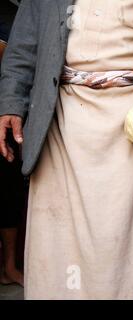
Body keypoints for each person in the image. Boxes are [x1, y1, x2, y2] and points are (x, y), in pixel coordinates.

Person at [0, 0, 133, 299]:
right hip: (62, 116)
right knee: (59, 238)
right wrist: (11, 104)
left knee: (121, 237)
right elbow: (23, 46)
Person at [0, 0, 25, 288]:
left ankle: (8, 266)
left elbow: (18, 58)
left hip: (7, 110)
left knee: (8, 189)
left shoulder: (13, 12)